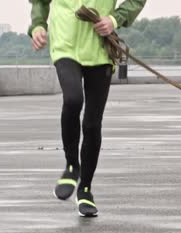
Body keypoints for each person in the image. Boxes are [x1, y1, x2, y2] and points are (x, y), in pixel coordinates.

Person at [28, 0, 146, 217]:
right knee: (73, 99)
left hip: (100, 50)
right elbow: (40, 2)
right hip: (65, 46)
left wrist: (114, 19)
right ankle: (72, 165)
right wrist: (37, 25)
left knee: (92, 124)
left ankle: (85, 190)